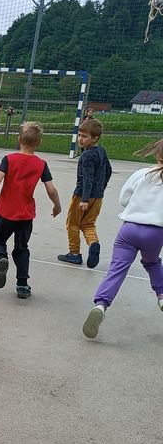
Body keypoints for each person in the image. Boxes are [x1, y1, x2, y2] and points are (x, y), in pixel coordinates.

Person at [82, 139, 163, 339]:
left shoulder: (141, 173)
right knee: (152, 262)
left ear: (157, 153)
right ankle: (162, 295)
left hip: (130, 228)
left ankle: (100, 305)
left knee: (116, 269)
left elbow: (123, 199)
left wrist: (136, 207)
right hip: (156, 232)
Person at [0, 121, 61, 299]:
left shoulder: (9, 159)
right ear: (39, 142)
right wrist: (57, 205)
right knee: (22, 248)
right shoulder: (41, 164)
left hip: (5, 212)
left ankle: (1, 258)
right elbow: (51, 189)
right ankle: (22, 284)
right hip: (25, 215)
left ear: (19, 139)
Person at [57, 119, 112, 268]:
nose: (80, 139)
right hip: (98, 196)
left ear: (95, 138)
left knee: (72, 224)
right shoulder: (101, 151)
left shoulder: (86, 156)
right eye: (79, 135)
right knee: (88, 223)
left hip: (82, 195)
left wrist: (85, 199)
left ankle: (74, 254)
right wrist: (101, 188)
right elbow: (108, 170)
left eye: (84, 136)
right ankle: (93, 243)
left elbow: (87, 178)